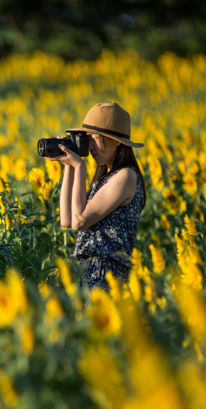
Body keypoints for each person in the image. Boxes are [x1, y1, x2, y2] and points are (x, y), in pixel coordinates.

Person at [50, 102, 146, 292]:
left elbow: (79, 221)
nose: (90, 146)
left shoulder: (126, 176)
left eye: (94, 139)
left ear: (117, 141)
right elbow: (67, 219)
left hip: (109, 275)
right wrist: (69, 166)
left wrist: (79, 167)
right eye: (87, 140)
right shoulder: (106, 178)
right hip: (90, 273)